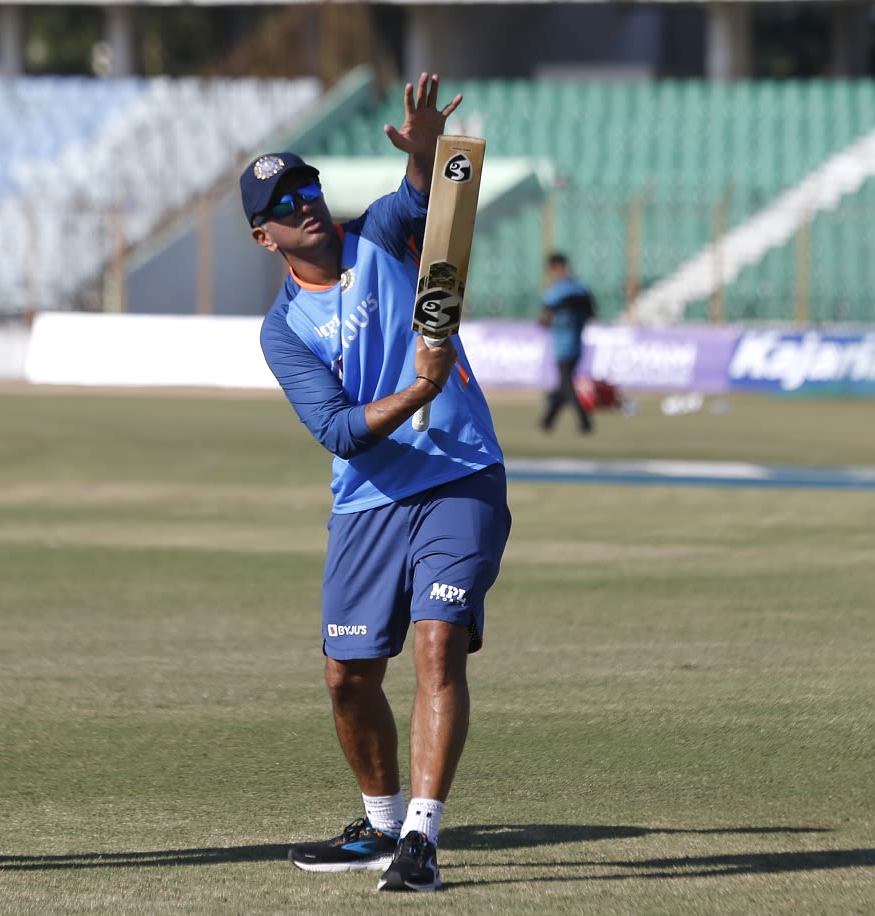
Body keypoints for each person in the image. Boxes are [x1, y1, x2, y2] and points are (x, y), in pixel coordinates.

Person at [248, 73, 511, 894]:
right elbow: (338, 431)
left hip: (459, 470)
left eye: (307, 187)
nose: (304, 205)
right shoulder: (283, 330)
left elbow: (429, 200)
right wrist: (418, 387)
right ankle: (382, 824)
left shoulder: (380, 235)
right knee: (347, 677)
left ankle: (422, 841)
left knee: (438, 642)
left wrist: (427, 152)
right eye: (284, 204)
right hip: (368, 500)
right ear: (264, 237)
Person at [537, 251, 596, 434]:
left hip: (562, 344)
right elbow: (591, 312)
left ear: (557, 267)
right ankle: (547, 422)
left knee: (567, 385)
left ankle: (585, 423)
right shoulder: (581, 288)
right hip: (576, 342)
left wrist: (554, 321)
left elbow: (544, 318)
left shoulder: (555, 291)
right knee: (564, 383)